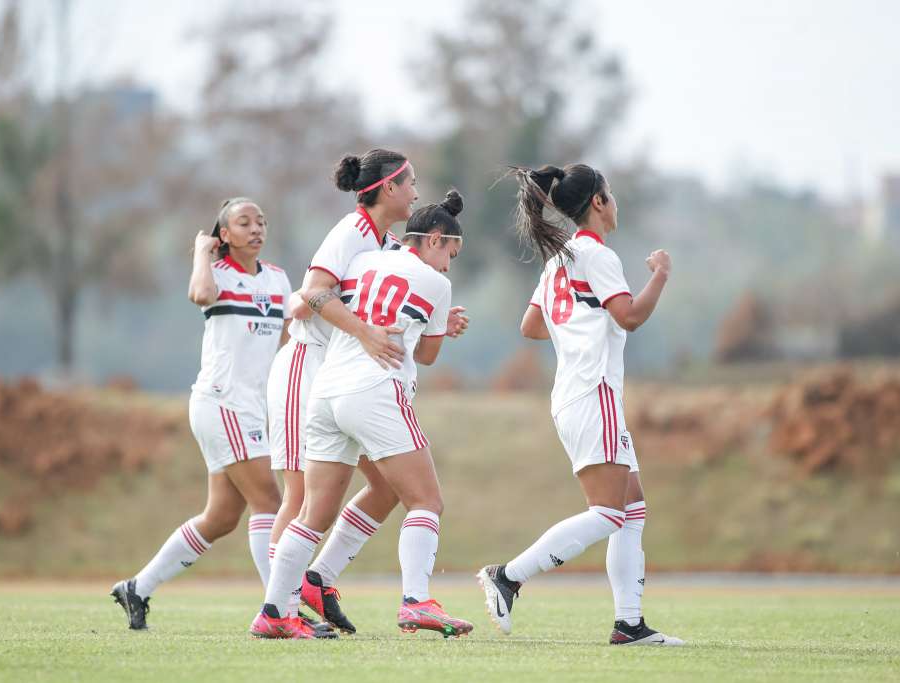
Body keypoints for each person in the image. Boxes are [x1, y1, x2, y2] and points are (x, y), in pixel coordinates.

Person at [477, 164, 684, 646]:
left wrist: (575, 329)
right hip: (595, 392)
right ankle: (508, 576)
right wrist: (660, 275)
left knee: (632, 509)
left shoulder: (558, 261)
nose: (615, 202)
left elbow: (531, 326)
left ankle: (628, 624)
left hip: (573, 394)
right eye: (611, 194)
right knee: (609, 513)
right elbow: (629, 317)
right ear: (598, 202)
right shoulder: (597, 254)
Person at [252, 191, 474, 640]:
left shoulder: (363, 260)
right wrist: (439, 326)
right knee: (425, 501)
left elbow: (318, 297)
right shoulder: (436, 284)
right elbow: (427, 356)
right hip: (376, 391)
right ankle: (416, 601)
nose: (448, 266)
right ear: (434, 239)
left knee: (312, 514)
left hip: (326, 391)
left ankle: (275, 611)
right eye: (450, 253)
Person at [110, 198, 294, 631]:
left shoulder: (278, 278)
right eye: (244, 223)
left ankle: (137, 587)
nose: (256, 228)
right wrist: (200, 253)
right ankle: (279, 611)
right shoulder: (217, 275)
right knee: (269, 501)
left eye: (261, 222)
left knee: (222, 517)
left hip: (250, 407)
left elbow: (287, 339)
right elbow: (200, 295)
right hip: (222, 402)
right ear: (224, 234)